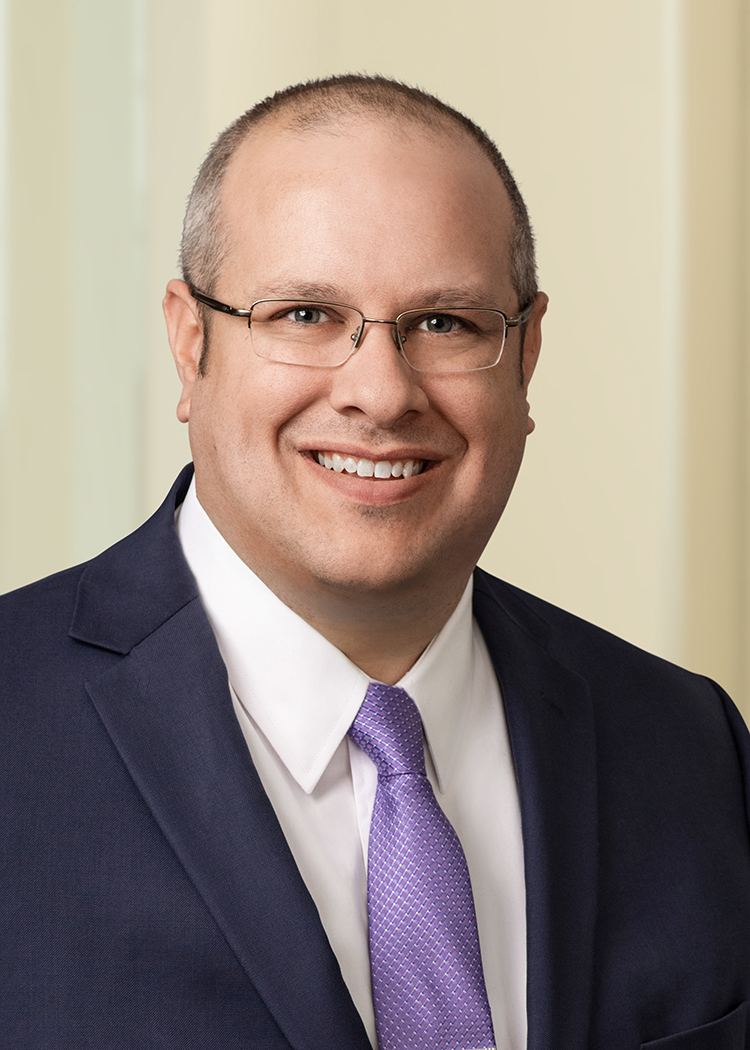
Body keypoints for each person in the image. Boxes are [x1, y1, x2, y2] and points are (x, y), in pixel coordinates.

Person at [1, 74, 748, 1050]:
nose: (381, 392)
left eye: (446, 323)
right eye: (306, 315)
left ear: (524, 360)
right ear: (191, 344)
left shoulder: (690, 746)